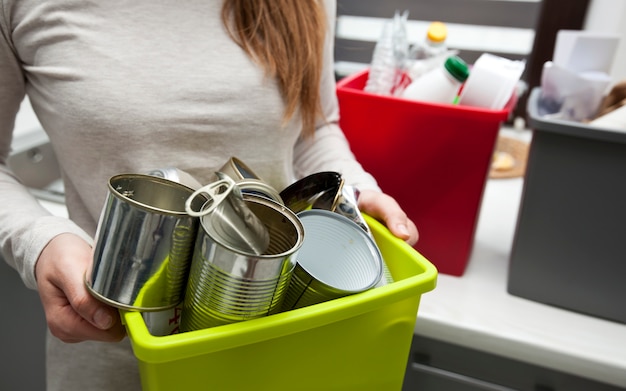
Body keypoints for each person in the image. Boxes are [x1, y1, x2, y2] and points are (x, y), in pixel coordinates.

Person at [0, 0, 419, 389]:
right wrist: (40, 241)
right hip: (116, 352)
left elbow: (314, 127)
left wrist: (354, 191)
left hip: (283, 348)